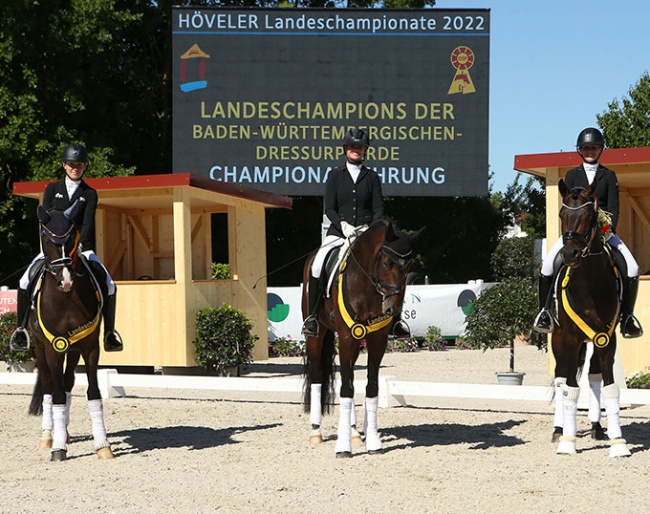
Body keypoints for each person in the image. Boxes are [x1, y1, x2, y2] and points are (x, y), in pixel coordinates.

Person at [9, 143, 124, 352]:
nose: (75, 168)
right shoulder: (52, 189)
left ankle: (109, 333)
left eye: (79, 165)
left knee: (109, 284)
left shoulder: (89, 193)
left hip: (81, 248)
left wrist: (78, 245)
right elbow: (48, 219)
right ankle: (21, 330)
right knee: (24, 281)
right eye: (71, 164)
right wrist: (53, 246)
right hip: (53, 250)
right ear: (64, 165)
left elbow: (88, 223)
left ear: (84, 167)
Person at [301, 128, 410, 339]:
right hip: (339, 233)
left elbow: (378, 209)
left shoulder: (372, 178)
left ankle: (396, 321)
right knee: (317, 265)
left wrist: (370, 229)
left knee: (391, 267)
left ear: (365, 151)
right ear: (346, 150)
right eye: (352, 147)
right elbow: (329, 208)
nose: (356, 150)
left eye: (359, 147)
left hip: (366, 233)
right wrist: (342, 225)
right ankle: (313, 318)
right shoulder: (334, 176)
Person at [533, 127, 643, 338]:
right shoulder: (572, 175)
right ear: (580, 151)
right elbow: (569, 206)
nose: (590, 151)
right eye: (586, 148)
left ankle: (627, 318)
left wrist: (607, 228)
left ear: (601, 150)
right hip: (576, 233)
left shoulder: (609, 176)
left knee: (632, 267)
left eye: (594, 147)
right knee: (547, 265)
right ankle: (545, 313)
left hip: (603, 231)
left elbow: (614, 207)